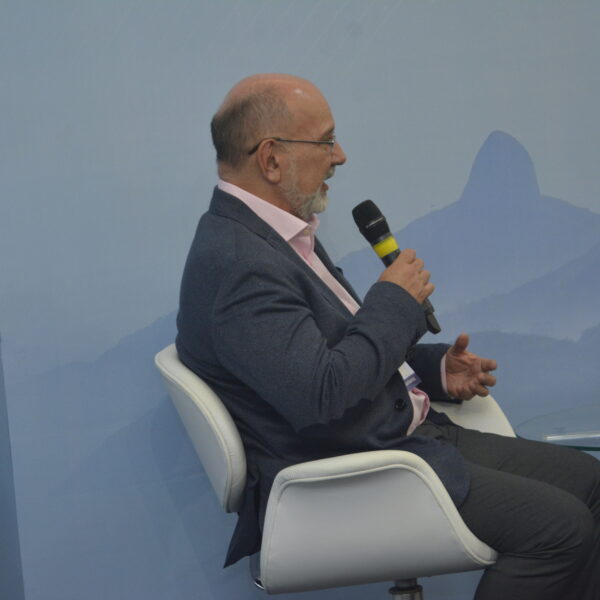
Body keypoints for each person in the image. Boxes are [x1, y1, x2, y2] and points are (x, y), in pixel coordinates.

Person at [176, 73, 600, 600]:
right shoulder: (239, 264)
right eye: (326, 141)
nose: (341, 156)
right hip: (360, 470)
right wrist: (395, 300)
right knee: (559, 530)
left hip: (405, 436)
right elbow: (321, 392)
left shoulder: (276, 236)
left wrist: (434, 370)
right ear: (272, 159)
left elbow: (337, 350)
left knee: (591, 483)